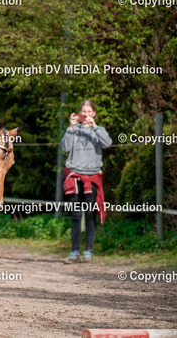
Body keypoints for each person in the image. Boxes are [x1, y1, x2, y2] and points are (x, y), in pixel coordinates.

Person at [61, 100, 112, 263]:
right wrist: (70, 128)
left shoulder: (99, 130)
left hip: (93, 177)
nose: (86, 115)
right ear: (78, 113)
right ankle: (75, 251)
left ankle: (88, 251)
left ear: (94, 113)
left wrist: (94, 126)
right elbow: (64, 148)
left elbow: (108, 143)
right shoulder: (73, 130)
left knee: (90, 214)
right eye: (84, 112)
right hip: (75, 176)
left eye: (89, 112)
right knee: (76, 215)